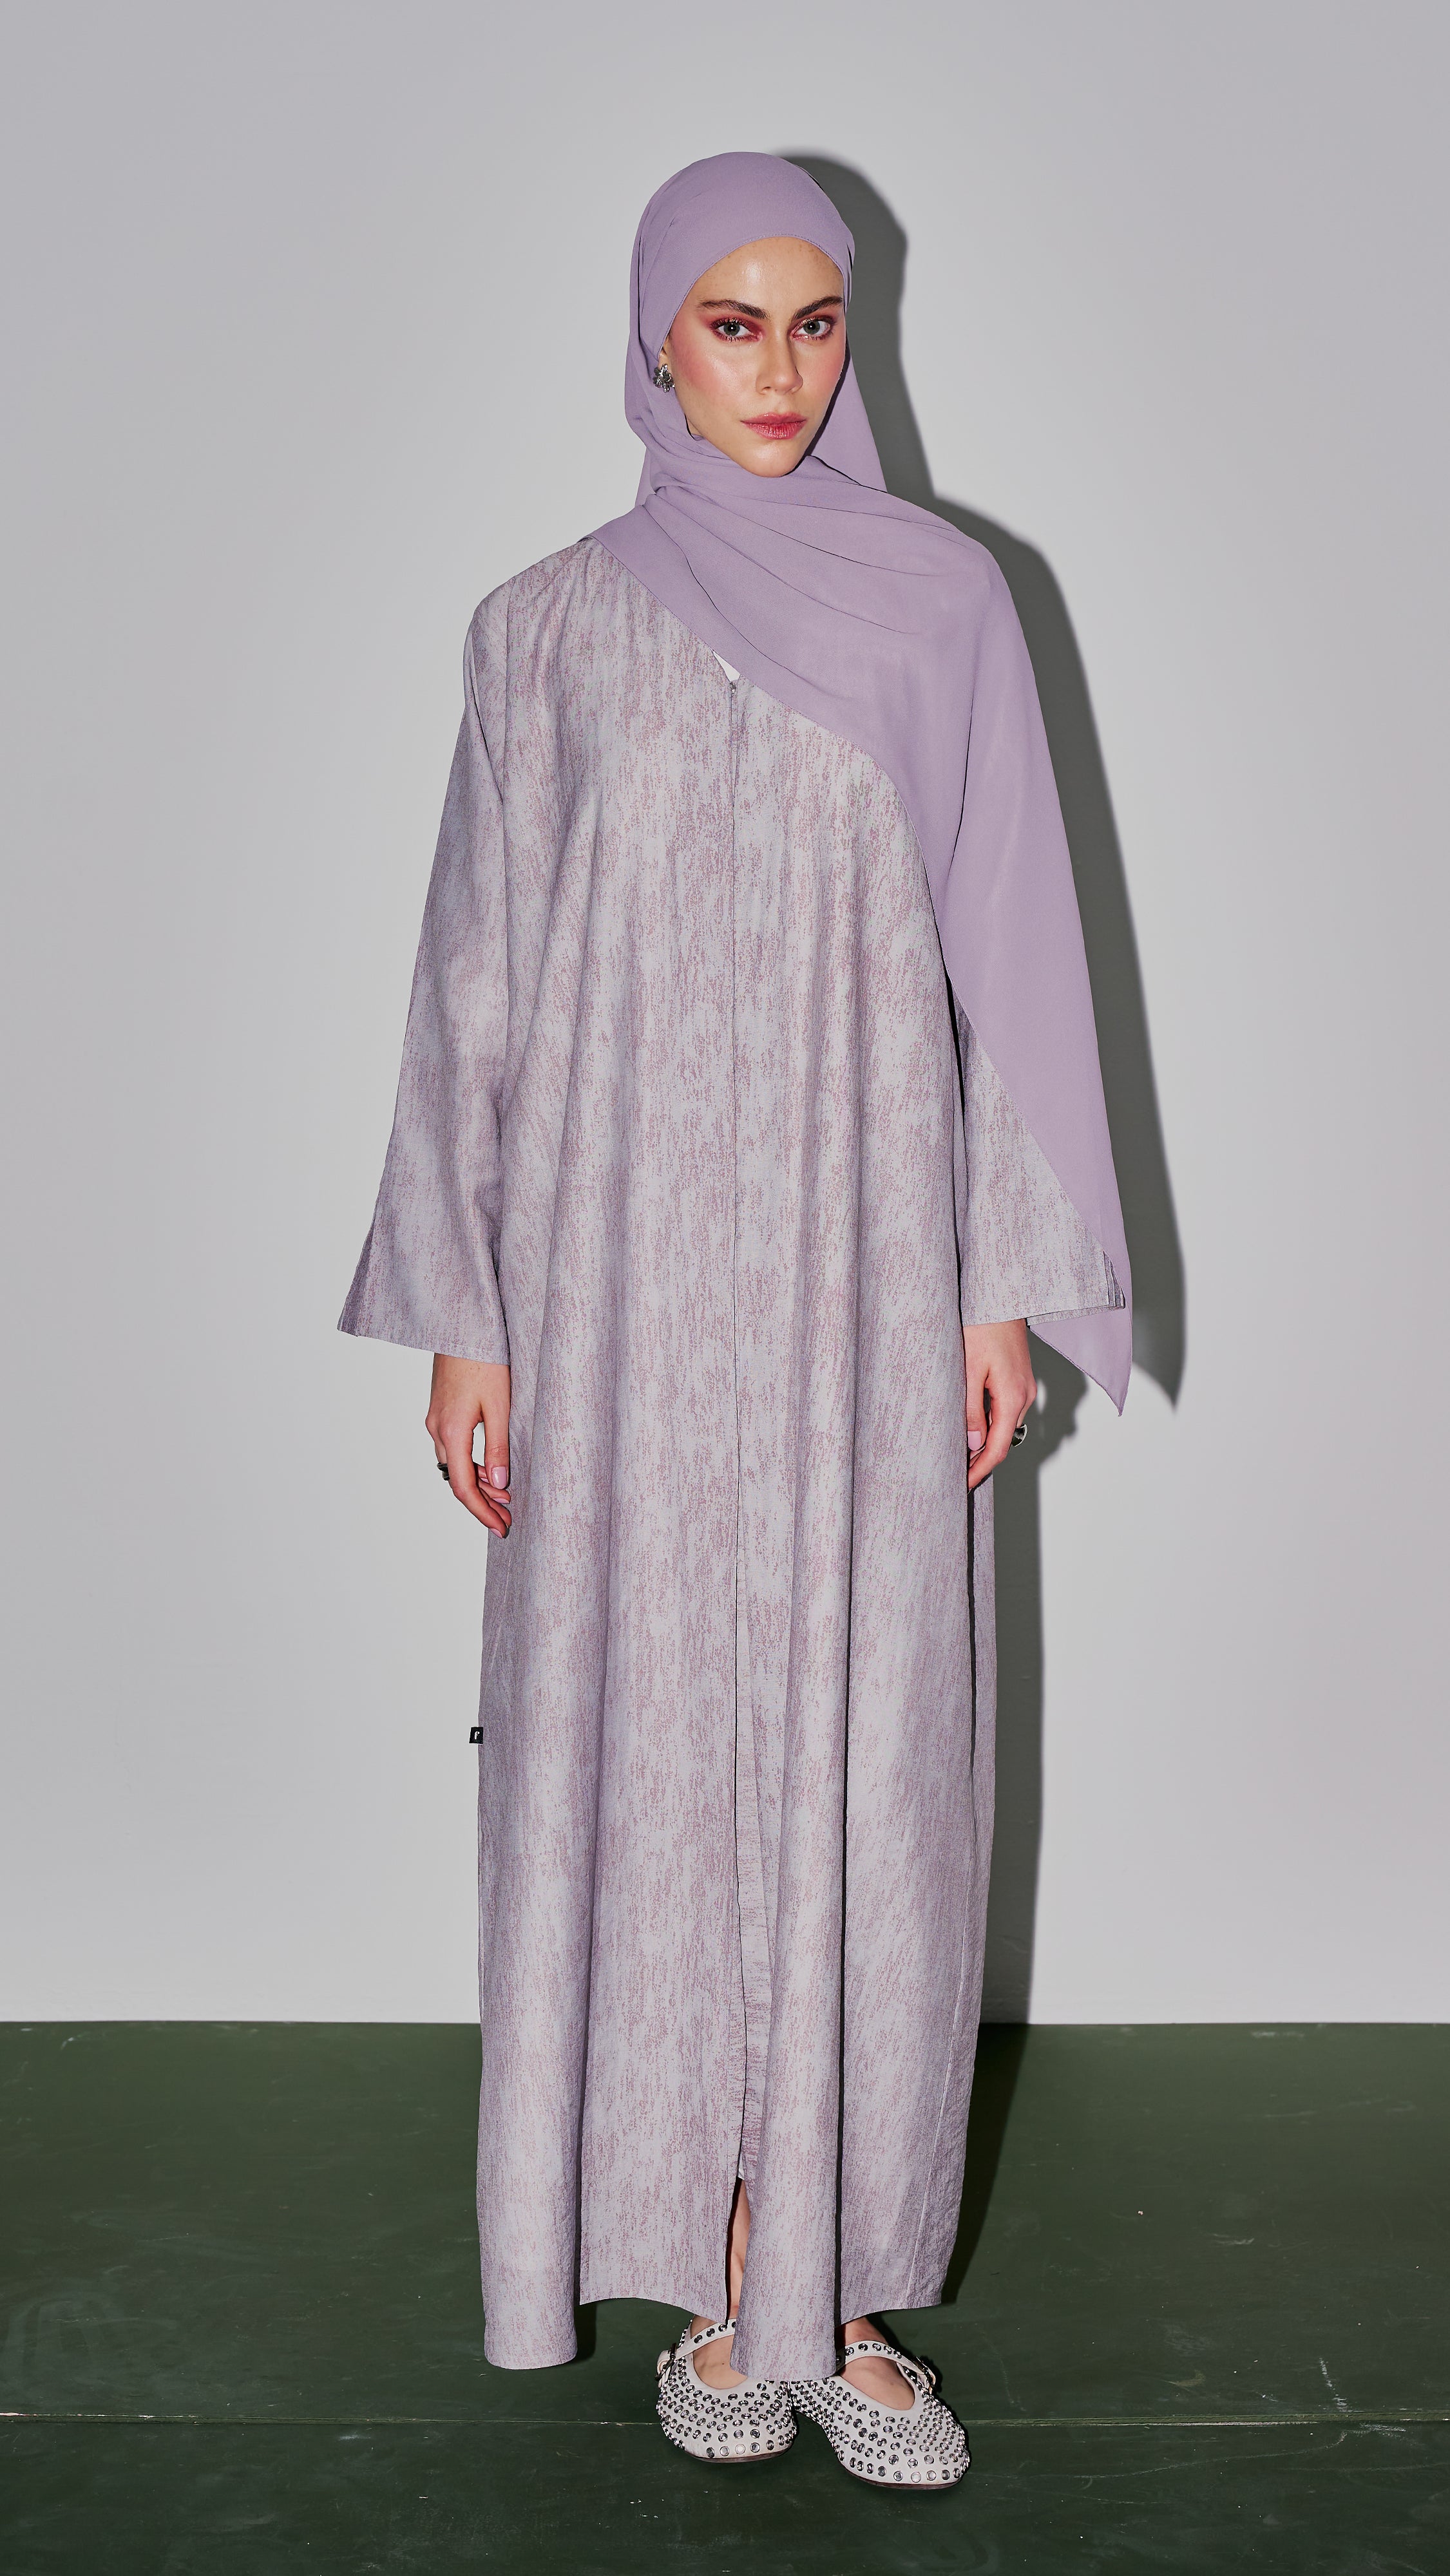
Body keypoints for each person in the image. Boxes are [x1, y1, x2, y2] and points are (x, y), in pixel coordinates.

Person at [339, 153, 1129, 2490]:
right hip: (609, 1295)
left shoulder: (945, 606)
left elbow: (1011, 970)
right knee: (644, 1748)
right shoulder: (540, 633)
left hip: (868, 1270)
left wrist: (999, 1276)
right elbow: (472, 979)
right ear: (651, 340)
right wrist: (468, 1314)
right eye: (730, 322)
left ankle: (834, 2292)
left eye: (814, 322)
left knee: (868, 1759)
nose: (777, 370)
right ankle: (710, 2275)